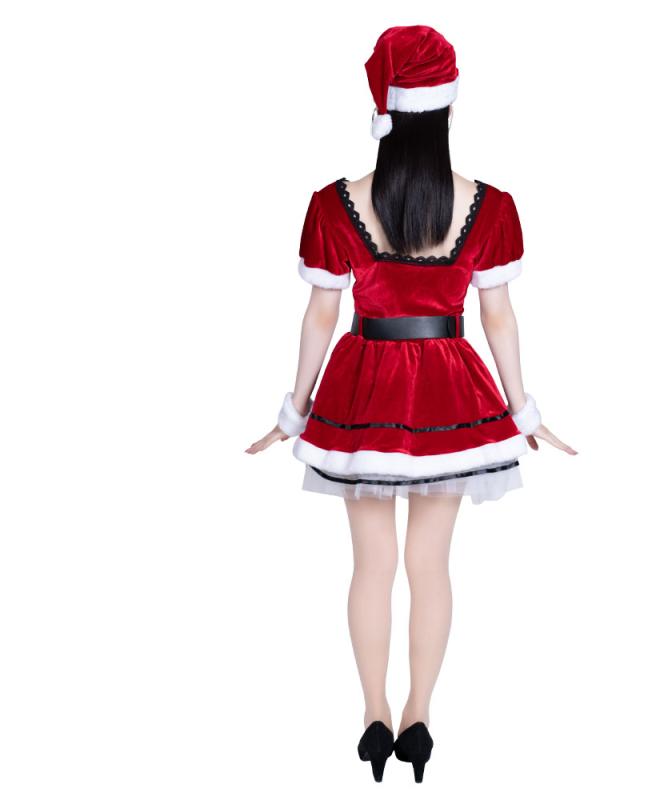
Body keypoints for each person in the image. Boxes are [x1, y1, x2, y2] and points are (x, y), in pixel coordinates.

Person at [245, 25, 577, 783]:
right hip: (449, 394)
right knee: (431, 564)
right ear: (449, 108)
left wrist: (294, 410)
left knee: (371, 565)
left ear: (383, 109)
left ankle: (374, 715)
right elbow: (498, 318)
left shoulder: (334, 204)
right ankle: (419, 716)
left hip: (363, 388)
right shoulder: (490, 205)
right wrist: (523, 411)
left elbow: (320, 316)